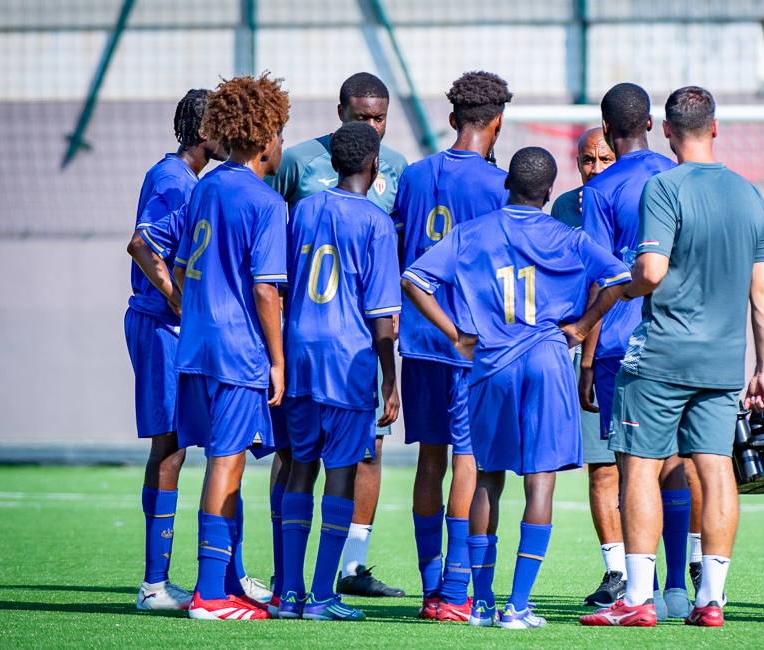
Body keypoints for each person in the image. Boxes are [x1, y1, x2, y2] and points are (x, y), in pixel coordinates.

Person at [402, 146, 631, 629]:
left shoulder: (471, 233)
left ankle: (481, 603)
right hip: (547, 360)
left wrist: (456, 333)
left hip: (490, 364)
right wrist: (584, 325)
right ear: (549, 192)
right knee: (539, 480)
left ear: (507, 184)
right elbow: (619, 277)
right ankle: (518, 607)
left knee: (487, 477)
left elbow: (414, 279)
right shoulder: (567, 236)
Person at [580, 86, 764, 628]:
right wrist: (763, 369)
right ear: (715, 127)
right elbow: (762, 294)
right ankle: (710, 600)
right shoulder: (750, 195)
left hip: (661, 354)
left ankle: (638, 600)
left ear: (667, 131)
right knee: (714, 469)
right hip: (723, 360)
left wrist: (609, 300)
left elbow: (649, 273)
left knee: (639, 468)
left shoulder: (663, 187)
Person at [265, 71, 409, 600]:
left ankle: (288, 592)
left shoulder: (302, 211)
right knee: (343, 471)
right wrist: (389, 380)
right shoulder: (374, 222)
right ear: (373, 167)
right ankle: (325, 594)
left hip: (298, 350)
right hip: (349, 360)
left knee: (300, 464)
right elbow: (381, 317)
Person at [392, 70, 512, 621]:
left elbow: (402, 253)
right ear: (498, 122)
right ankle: (458, 591)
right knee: (469, 459)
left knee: (430, 461)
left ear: (451, 119)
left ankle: (431, 584)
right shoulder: (498, 186)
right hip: (470, 344)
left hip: (418, 340)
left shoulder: (414, 176)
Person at [171, 73, 290, 621]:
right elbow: (266, 289)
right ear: (267, 137)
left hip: (194, 345)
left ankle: (222, 585)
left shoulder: (204, 187)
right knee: (227, 465)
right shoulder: (265, 202)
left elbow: (177, 266)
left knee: (226, 462)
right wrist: (278, 359)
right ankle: (209, 595)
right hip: (238, 351)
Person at [579, 82, 693, 618]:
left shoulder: (601, 190)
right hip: (677, 333)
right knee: (675, 465)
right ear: (650, 122)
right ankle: (676, 587)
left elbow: (600, 275)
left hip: (620, 342)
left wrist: (585, 353)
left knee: (632, 471)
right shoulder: (676, 177)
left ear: (606, 128)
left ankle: (637, 593)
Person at [124, 89, 226, 611]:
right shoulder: (172, 180)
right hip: (161, 326)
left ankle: (217, 577)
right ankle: (154, 586)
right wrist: (178, 299)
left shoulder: (190, 179)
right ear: (204, 132)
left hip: (173, 329)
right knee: (170, 446)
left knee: (190, 444)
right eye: (223, 125)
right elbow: (142, 244)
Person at [550, 128, 630, 604]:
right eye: (587, 160)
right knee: (602, 469)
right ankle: (616, 571)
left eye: (604, 158)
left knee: (664, 467)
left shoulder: (644, 195)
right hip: (584, 348)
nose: (595, 167)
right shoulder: (563, 209)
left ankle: (691, 568)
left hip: (634, 347)